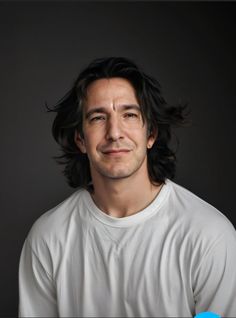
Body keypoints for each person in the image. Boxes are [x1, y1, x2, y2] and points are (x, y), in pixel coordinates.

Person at [19, 57, 236, 317]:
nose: (114, 132)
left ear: (151, 134)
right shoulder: (47, 238)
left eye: (130, 115)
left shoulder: (209, 235)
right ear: (80, 139)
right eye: (98, 117)